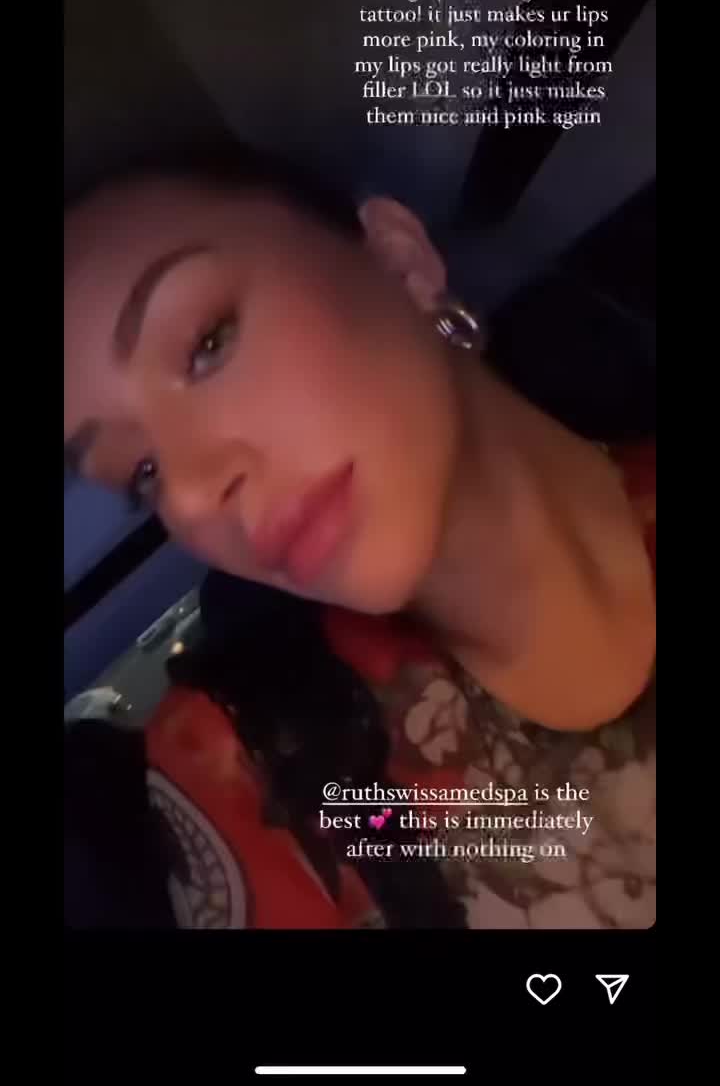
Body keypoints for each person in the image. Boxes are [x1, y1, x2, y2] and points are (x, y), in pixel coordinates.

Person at [64, 143, 655, 929]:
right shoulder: (258, 773)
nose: (194, 494)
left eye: (207, 343)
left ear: (399, 262)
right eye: (143, 474)